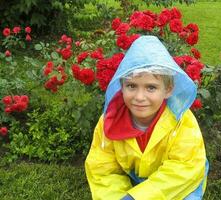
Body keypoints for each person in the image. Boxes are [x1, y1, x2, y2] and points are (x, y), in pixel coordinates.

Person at [85, 35, 209, 200]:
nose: (140, 97)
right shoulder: (110, 121)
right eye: (131, 86)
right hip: (135, 178)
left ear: (168, 90)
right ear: (121, 86)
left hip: (177, 182)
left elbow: (184, 168)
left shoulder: (182, 121)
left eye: (151, 87)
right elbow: (102, 168)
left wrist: (138, 197)